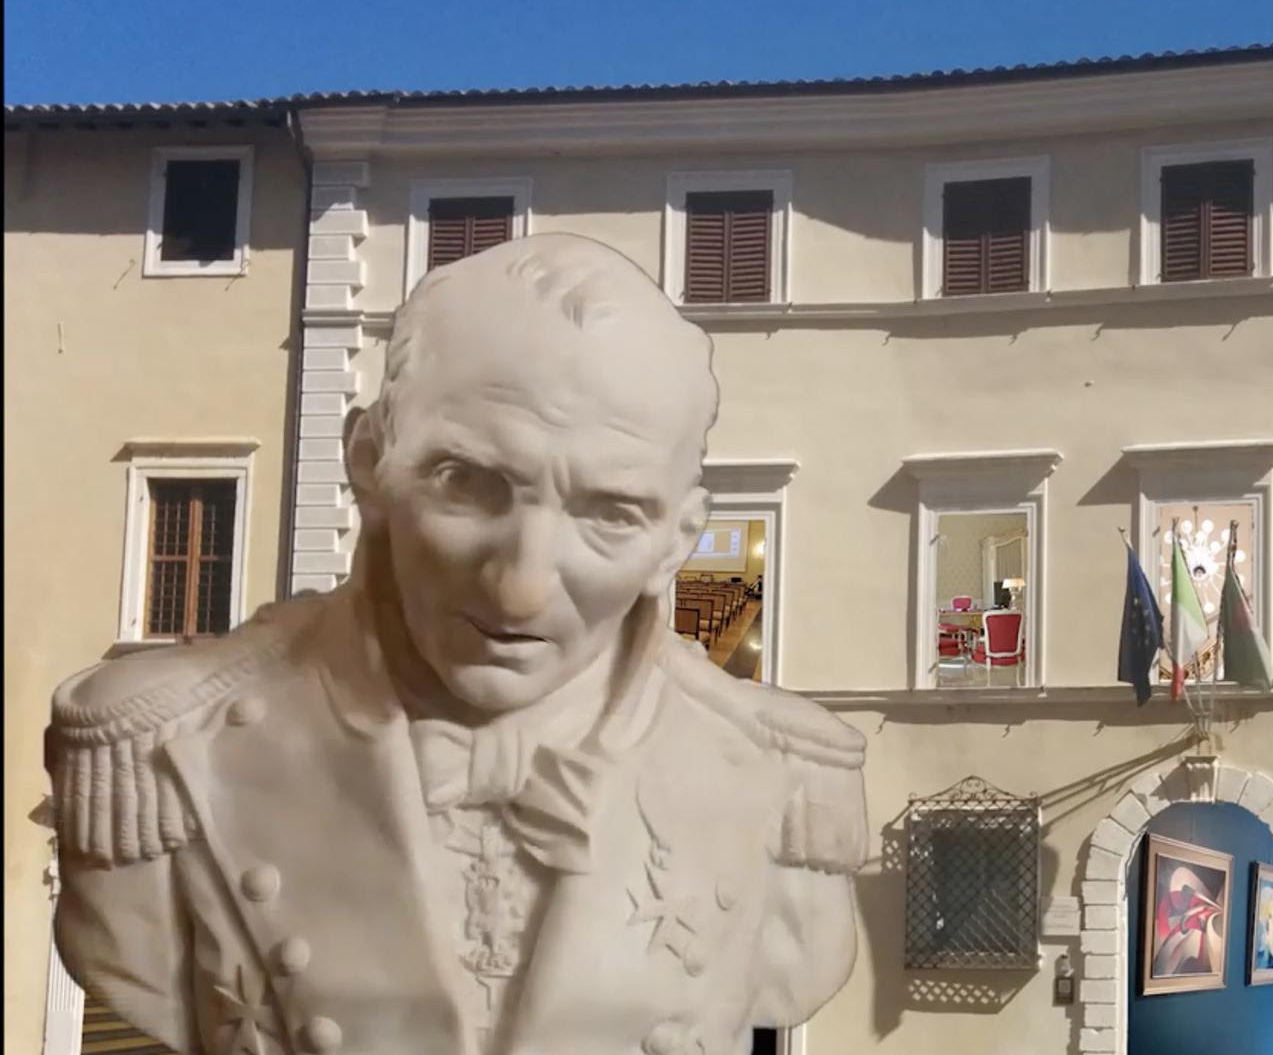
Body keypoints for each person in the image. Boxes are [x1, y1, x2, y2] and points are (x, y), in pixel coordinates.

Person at [45, 234, 867, 1055]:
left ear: (677, 540)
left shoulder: (773, 784)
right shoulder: (170, 752)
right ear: (369, 463)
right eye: (467, 484)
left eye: (611, 514)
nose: (521, 589)